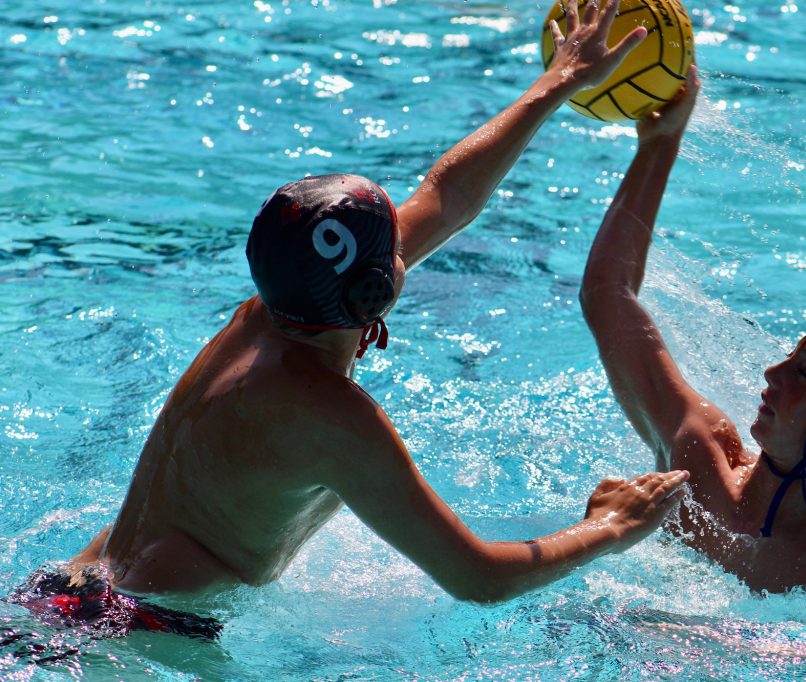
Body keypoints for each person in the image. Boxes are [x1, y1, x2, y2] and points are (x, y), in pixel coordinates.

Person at [12, 0, 689, 638]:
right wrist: (612, 526)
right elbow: (478, 577)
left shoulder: (269, 313)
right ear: (372, 298)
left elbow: (446, 195)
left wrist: (559, 82)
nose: (407, 242)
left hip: (73, 589)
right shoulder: (335, 419)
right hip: (142, 636)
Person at [579, 66, 806, 610]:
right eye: (790, 358)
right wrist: (660, 143)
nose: (772, 374)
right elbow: (607, 294)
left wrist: (717, 641)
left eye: (803, 372)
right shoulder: (700, 456)